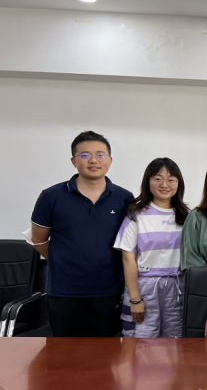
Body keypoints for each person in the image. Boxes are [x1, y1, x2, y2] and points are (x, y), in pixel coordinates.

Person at [30, 131, 134, 337]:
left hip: (108, 290)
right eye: (85, 155)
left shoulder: (124, 198)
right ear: (73, 161)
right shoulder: (51, 196)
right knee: (64, 351)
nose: (93, 160)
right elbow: (38, 239)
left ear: (110, 160)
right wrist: (65, 262)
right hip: (63, 292)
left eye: (100, 155)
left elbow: (129, 243)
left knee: (104, 351)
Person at [114, 158, 189, 338]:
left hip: (177, 286)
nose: (164, 184)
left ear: (179, 183)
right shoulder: (136, 214)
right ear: (148, 181)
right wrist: (135, 299)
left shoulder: (187, 216)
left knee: (175, 341)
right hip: (144, 287)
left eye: (171, 179)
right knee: (141, 340)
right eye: (157, 178)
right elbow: (128, 258)